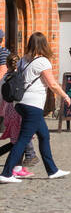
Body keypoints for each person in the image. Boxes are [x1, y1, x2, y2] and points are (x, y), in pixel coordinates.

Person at [0, 33, 71, 183]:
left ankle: (52, 170)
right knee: (22, 140)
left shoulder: (23, 60)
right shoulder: (43, 62)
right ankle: (6, 173)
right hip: (33, 105)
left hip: (20, 104)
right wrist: (64, 96)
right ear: (44, 44)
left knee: (44, 135)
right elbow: (52, 84)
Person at [0, 37, 37, 178]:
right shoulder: (18, 78)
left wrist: (2, 112)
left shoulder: (5, 78)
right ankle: (21, 163)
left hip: (8, 112)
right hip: (18, 111)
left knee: (16, 139)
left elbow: (2, 98)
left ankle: (19, 165)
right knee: (22, 138)